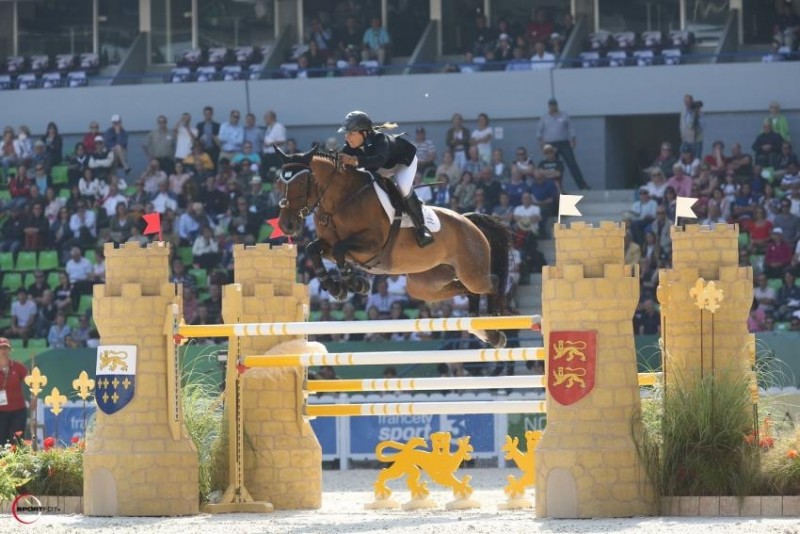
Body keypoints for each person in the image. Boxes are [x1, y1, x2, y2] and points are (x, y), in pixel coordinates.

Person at [337, 111, 433, 247]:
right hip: (381, 168)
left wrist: (355, 160)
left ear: (364, 133)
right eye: (346, 133)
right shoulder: (348, 148)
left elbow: (379, 160)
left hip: (402, 163)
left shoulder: (380, 139)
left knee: (403, 187)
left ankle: (421, 228)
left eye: (351, 133)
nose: (347, 137)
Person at [536, 99, 589, 190]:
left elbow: (571, 127)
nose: (553, 107)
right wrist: (541, 143)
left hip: (564, 143)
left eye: (554, 105)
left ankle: (582, 185)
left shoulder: (564, 115)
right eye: (551, 105)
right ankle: (556, 187)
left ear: (557, 105)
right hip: (550, 144)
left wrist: (573, 139)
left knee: (572, 164)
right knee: (553, 165)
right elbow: (539, 131)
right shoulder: (544, 117)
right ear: (549, 106)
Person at [0, 338, 31, 443]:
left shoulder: (18, 367)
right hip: (0, 412)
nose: (4, 351)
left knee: (17, 441)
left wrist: (34, 397)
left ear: (10, 350)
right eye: (1, 348)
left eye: (6, 348)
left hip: (18, 411)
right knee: (1, 442)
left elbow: (32, 383)